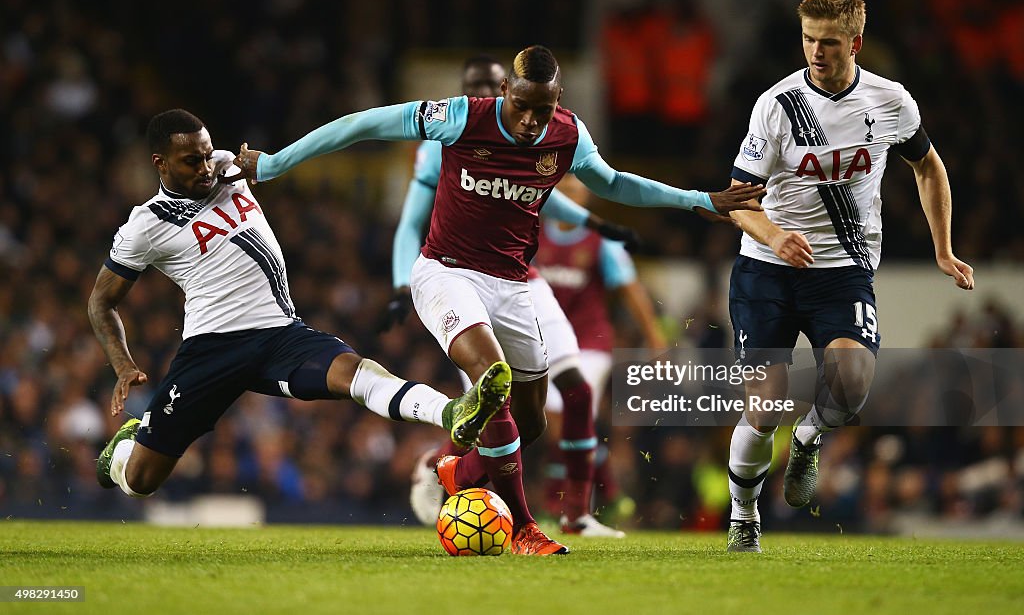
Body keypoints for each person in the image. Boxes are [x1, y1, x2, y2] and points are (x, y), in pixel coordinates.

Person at [230, 45, 766, 555]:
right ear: (505, 89)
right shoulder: (461, 117)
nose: (531, 121)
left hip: (512, 286)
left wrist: (700, 200)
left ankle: (457, 474)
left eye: (543, 109)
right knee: (494, 382)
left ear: (557, 101)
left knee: (530, 424)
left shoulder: (567, 135)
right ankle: (526, 527)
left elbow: (614, 183)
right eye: (522, 106)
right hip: (447, 274)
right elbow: (363, 123)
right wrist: (275, 164)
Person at [88, 109, 511, 502]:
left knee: (354, 372)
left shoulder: (223, 166)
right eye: (189, 162)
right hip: (211, 347)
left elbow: (268, 165)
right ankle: (126, 446)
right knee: (143, 481)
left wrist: (262, 163)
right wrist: (123, 364)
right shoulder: (145, 224)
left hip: (279, 333)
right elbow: (101, 302)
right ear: (160, 163)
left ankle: (452, 410)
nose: (203, 169)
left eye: (204, 155)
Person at [724, 0, 975, 553]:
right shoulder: (777, 104)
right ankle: (744, 519)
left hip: (842, 267)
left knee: (853, 382)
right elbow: (739, 200)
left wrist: (943, 248)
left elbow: (928, 167)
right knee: (763, 406)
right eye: (809, 39)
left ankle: (810, 440)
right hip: (768, 267)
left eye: (829, 42)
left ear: (855, 43)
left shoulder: (891, 101)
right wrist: (774, 235)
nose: (816, 51)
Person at [385, 55, 630, 538]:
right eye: (475, 85)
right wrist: (401, 282)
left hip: (521, 279)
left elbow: (542, 192)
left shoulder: (532, 127)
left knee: (570, 392)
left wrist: (592, 222)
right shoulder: (445, 138)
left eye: (490, 83)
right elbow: (412, 220)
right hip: (459, 278)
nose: (484, 91)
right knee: (493, 405)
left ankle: (575, 514)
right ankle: (483, 495)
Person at [532, 173, 668, 523]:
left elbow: (629, 288)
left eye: (576, 192)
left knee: (567, 417)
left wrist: (653, 333)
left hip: (591, 343)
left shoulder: (601, 238)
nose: (570, 197)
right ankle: (609, 491)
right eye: (563, 191)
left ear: (586, 199)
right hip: (547, 343)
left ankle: (556, 505)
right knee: (556, 425)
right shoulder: (532, 233)